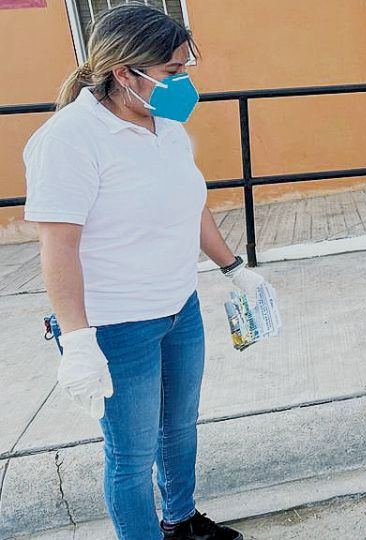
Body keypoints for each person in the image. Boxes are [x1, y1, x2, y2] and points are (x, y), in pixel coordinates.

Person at [24, 5, 265, 539]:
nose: (183, 84)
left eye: (185, 69)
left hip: (180, 307)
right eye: (172, 72)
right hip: (117, 325)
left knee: (179, 429)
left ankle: (180, 520)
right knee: (130, 456)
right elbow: (58, 246)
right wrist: (80, 340)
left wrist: (233, 268)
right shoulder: (68, 139)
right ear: (124, 73)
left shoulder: (167, 127)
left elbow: (191, 204)